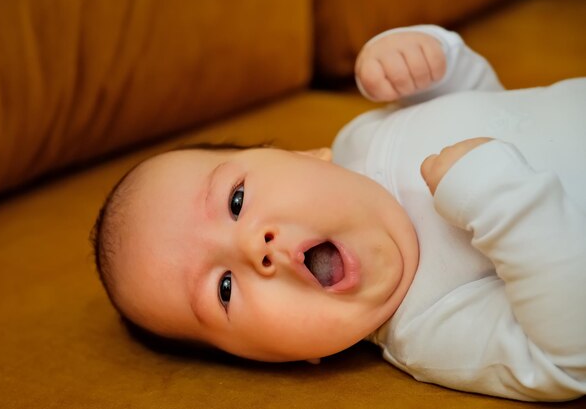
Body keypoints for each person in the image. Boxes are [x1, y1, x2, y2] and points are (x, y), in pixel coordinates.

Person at [91, 25, 586, 401]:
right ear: (291, 358)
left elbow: (489, 103)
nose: (253, 249)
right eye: (222, 290)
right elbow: (568, 358)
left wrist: (432, 58)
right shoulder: (427, 328)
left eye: (236, 201)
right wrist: (504, 202)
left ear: (307, 155)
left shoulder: (362, 133)